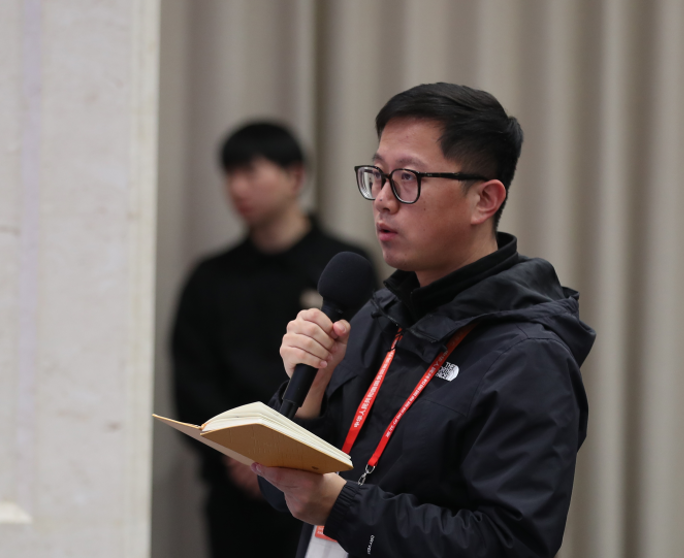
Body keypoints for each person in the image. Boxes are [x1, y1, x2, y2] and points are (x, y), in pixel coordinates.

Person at [253, 84, 595, 558]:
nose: (382, 200)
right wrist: (309, 400)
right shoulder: (377, 314)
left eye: (407, 179)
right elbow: (279, 492)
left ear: (484, 199)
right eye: (378, 175)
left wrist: (341, 506)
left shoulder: (528, 357)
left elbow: (511, 545)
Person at [171, 121, 377, 558]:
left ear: (295, 176)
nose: (236, 187)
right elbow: (192, 379)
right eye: (230, 174)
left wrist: (294, 455)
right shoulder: (211, 277)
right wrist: (242, 454)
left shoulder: (341, 270)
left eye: (250, 172)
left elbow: (366, 368)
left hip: (322, 479)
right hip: (234, 489)